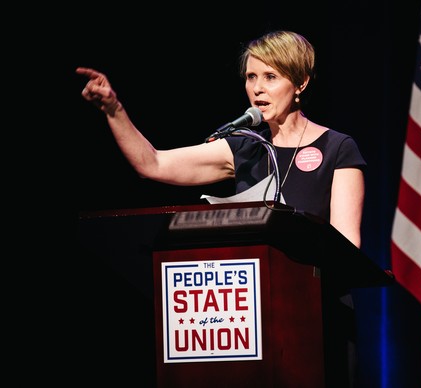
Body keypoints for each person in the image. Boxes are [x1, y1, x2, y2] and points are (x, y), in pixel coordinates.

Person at [77, 30, 366, 387]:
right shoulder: (243, 148)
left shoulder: (338, 149)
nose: (257, 88)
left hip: (316, 319)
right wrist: (114, 110)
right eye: (251, 77)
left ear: (301, 83)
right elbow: (152, 164)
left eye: (270, 77)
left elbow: (346, 247)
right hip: (253, 324)